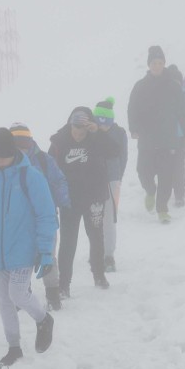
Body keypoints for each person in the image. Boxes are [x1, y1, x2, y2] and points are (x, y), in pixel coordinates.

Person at [0, 128, 58, 369]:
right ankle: (14, 347)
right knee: (4, 299)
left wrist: (46, 249)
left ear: (13, 152)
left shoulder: (30, 177)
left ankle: (43, 319)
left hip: (23, 249)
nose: (0, 161)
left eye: (4, 156)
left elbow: (46, 214)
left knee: (18, 293)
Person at [49, 107, 120, 295]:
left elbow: (115, 151)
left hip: (94, 198)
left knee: (96, 237)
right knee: (68, 242)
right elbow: (49, 168)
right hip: (69, 201)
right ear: (70, 125)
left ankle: (99, 274)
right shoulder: (59, 141)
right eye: (75, 131)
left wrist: (98, 132)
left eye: (82, 132)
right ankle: (64, 284)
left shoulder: (95, 139)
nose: (79, 136)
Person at [9, 122, 70, 311]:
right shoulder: (5, 163)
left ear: (30, 141)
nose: (21, 146)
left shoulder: (44, 160)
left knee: (48, 256)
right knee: (20, 258)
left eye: (24, 141)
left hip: (45, 218)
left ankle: (53, 295)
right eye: (16, 142)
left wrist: (64, 203)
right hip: (18, 220)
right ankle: (21, 294)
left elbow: (59, 181)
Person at [128, 45, 185, 224]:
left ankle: (162, 209)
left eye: (160, 62)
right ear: (149, 64)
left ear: (164, 64)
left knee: (166, 175)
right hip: (147, 138)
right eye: (154, 62)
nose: (157, 66)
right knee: (143, 171)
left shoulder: (173, 86)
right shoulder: (140, 86)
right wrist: (134, 128)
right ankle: (150, 191)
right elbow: (132, 109)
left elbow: (182, 111)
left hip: (168, 138)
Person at [92, 98, 129, 273]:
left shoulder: (119, 133)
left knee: (109, 218)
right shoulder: (90, 132)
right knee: (94, 218)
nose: (102, 126)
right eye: (99, 122)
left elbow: (123, 157)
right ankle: (97, 251)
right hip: (92, 180)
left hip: (112, 180)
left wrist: (117, 177)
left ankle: (108, 255)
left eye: (105, 122)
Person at [165, 65, 185, 207]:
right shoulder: (162, 97)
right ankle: (169, 190)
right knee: (169, 165)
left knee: (178, 165)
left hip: (182, 137)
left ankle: (179, 194)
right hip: (166, 137)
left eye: (177, 82)